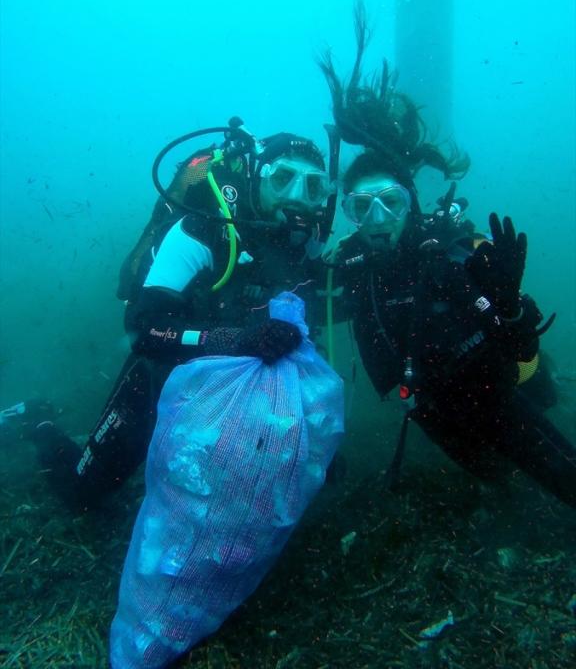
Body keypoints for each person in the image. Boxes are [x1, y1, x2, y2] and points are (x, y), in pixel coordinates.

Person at [320, 4, 576, 508]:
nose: (377, 220)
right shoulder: (353, 271)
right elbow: (304, 310)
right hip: (433, 406)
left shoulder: (450, 251)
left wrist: (509, 306)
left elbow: (517, 342)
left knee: (555, 465)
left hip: (499, 385)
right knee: (493, 477)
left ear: (411, 205)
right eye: (361, 207)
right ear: (348, 213)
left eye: (389, 202)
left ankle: (557, 388)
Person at [1, 127, 336, 512]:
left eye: (313, 187)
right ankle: (38, 421)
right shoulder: (204, 228)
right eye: (282, 178)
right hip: (163, 368)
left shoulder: (306, 247)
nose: (296, 197)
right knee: (84, 493)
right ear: (256, 175)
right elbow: (143, 328)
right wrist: (234, 339)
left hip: (240, 383)